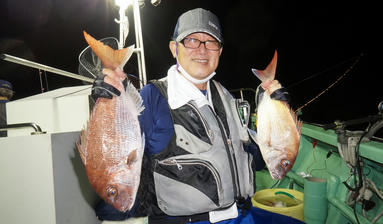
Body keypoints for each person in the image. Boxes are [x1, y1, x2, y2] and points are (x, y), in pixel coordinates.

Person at [92, 8, 303, 224]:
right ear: (174, 48)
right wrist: (107, 99)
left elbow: (251, 159)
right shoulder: (154, 97)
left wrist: (280, 118)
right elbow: (116, 160)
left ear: (219, 52)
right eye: (191, 40)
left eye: (211, 42)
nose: (202, 50)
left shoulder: (226, 97)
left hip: (239, 213)